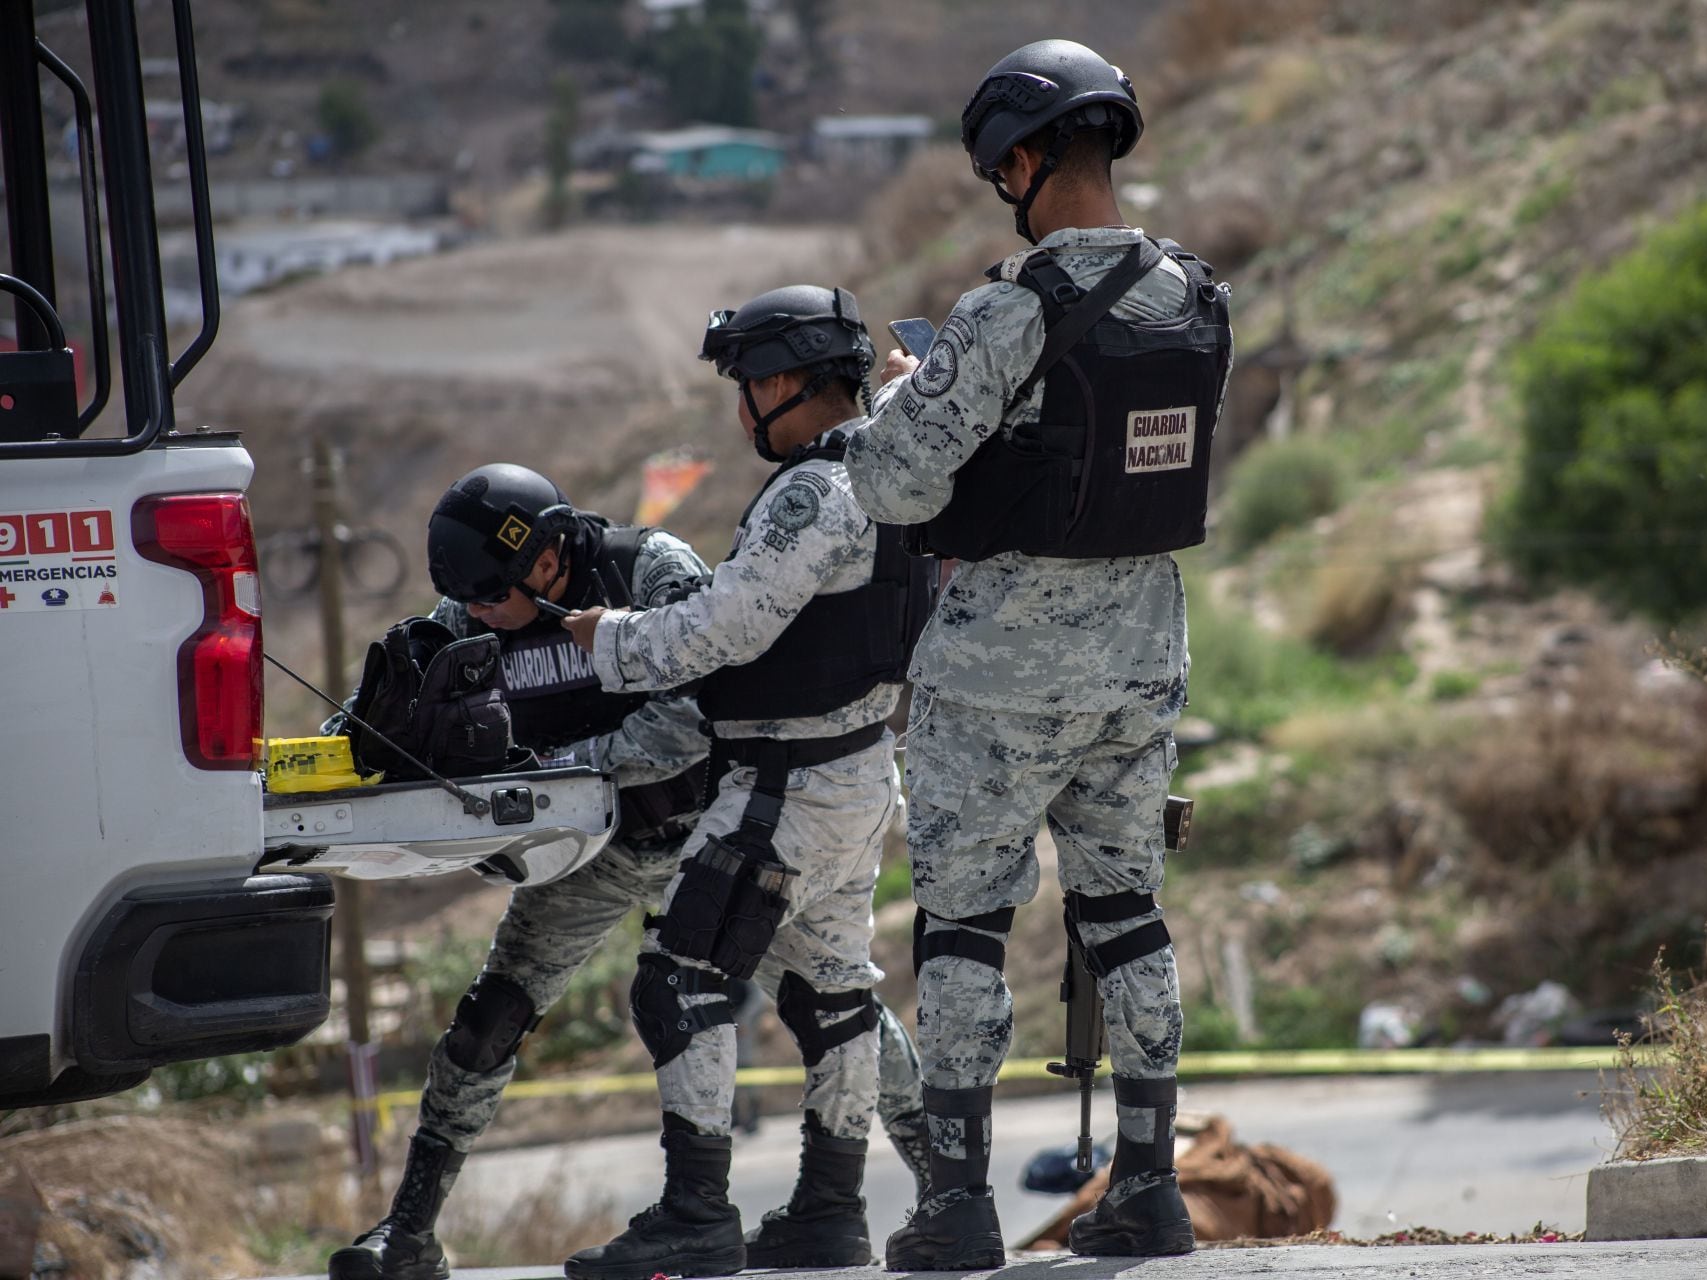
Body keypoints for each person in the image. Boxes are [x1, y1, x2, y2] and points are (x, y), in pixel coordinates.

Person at [327, 464, 930, 1280]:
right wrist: (340, 748)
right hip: (588, 860)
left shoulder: (650, 569)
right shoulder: (471, 608)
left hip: (701, 833)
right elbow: (407, 695)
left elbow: (693, 714)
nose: (479, 615)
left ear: (545, 560)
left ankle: (942, 1184)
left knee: (832, 999)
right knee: (488, 1020)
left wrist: (566, 772)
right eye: (466, 603)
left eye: (492, 598)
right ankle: (408, 1232)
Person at [840, 38, 1234, 1270]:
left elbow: (895, 481)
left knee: (962, 918)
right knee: (1127, 911)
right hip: (1143, 651)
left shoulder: (1011, 308)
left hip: (1001, 663)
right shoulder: (1197, 292)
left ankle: (958, 1205)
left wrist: (908, 390)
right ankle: (1152, 1189)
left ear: (1020, 158)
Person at [559, 286, 937, 1279]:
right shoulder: (898, 460)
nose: (740, 410)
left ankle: (695, 1213)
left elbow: (728, 628)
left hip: (782, 789)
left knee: (679, 981)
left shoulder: (815, 488)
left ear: (788, 381)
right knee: (837, 993)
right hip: (855, 776)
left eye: (746, 384)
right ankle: (827, 1210)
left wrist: (609, 641)